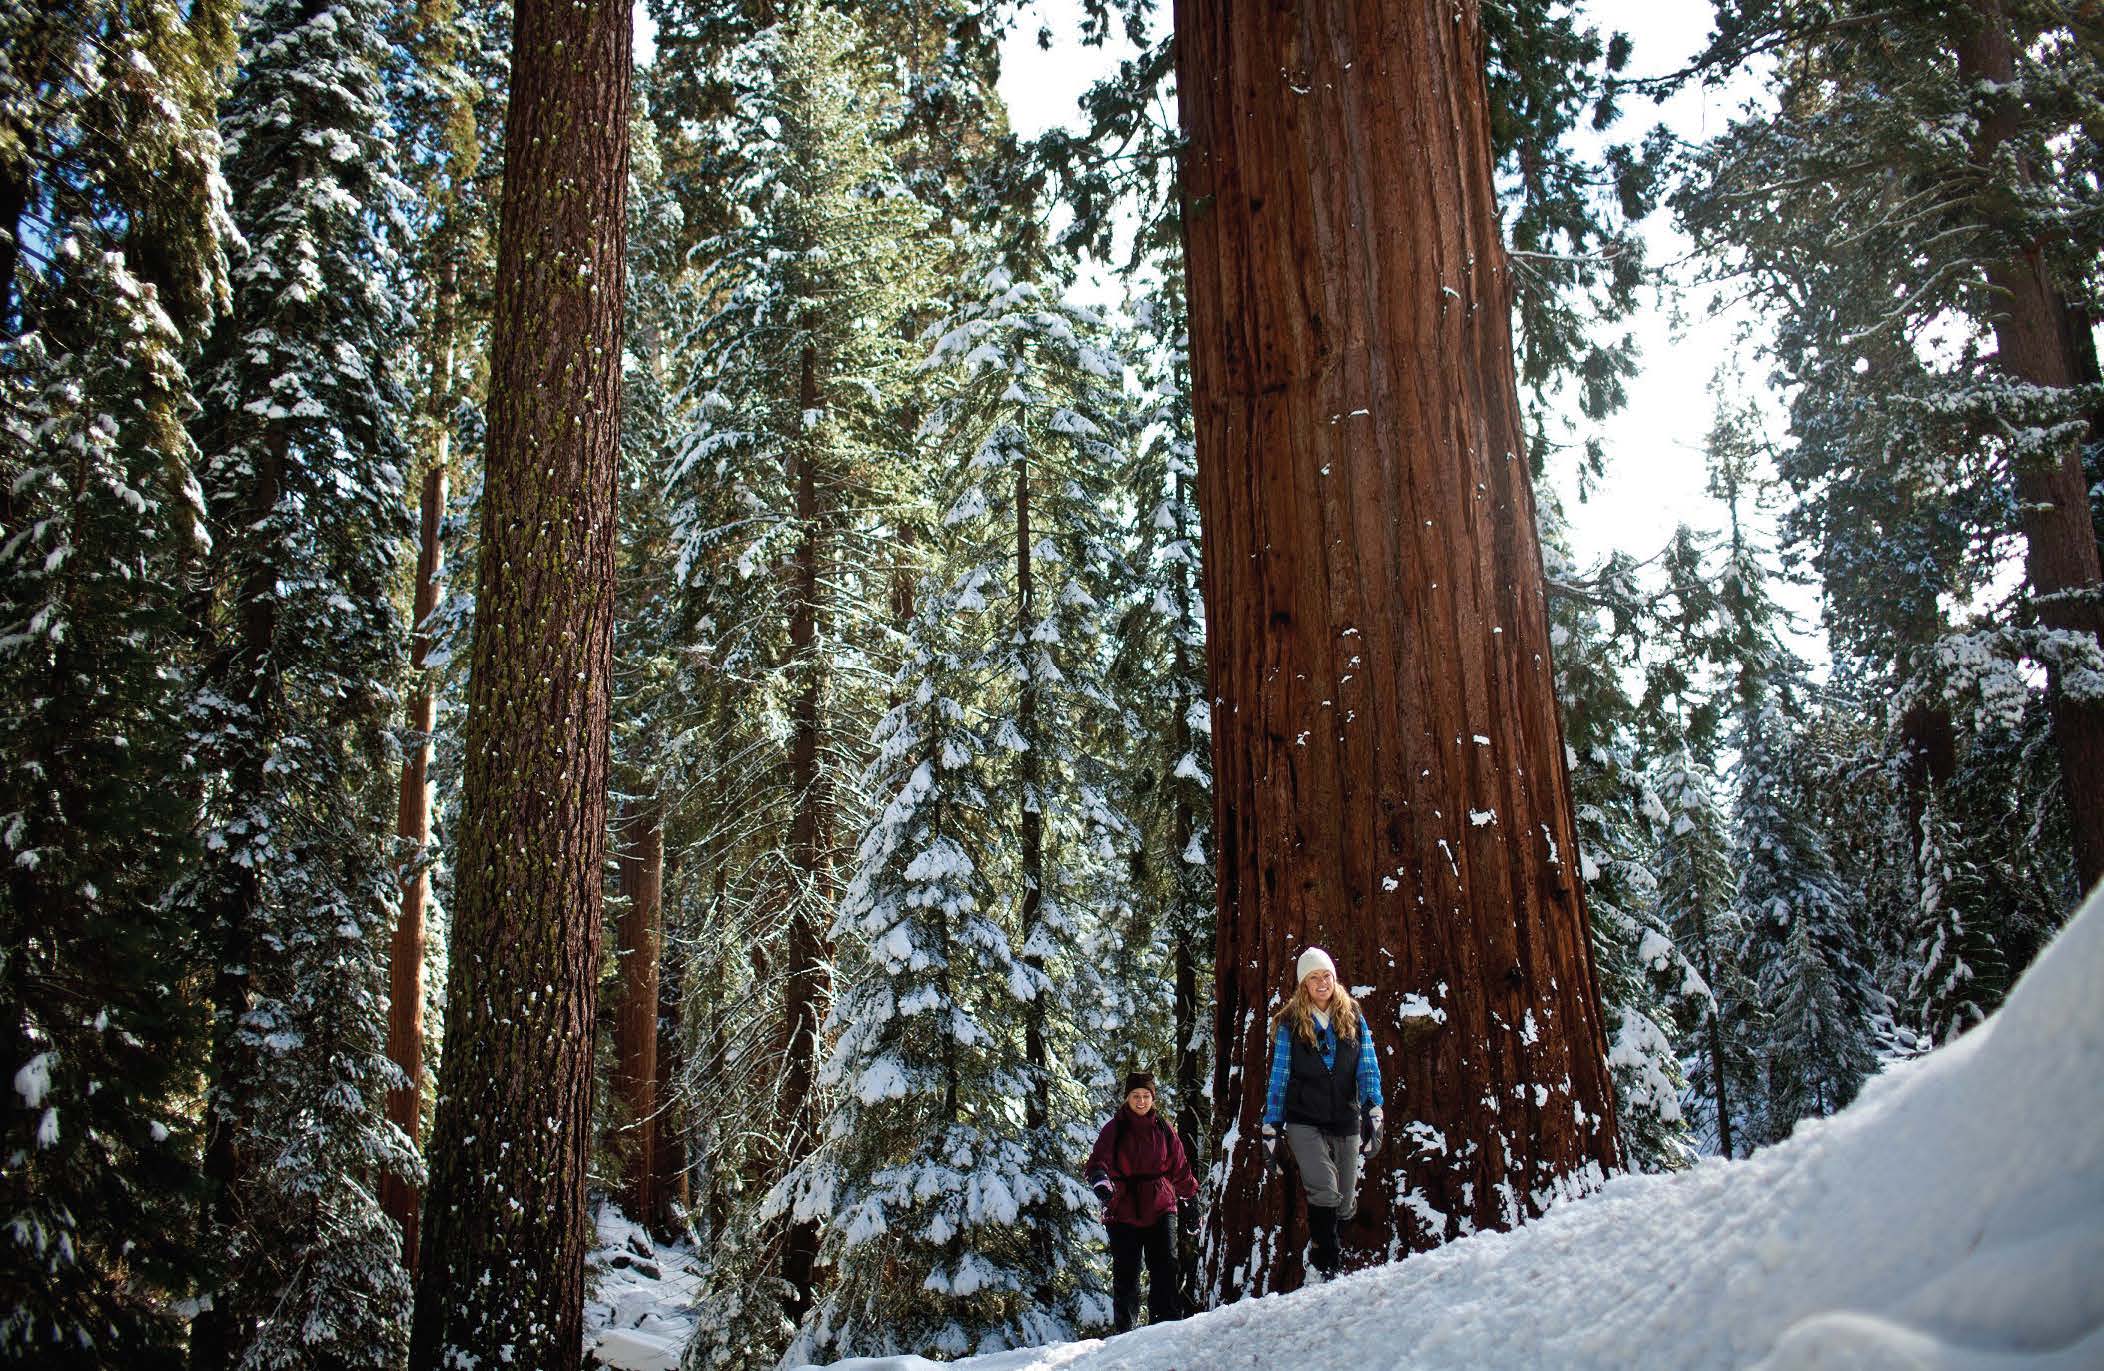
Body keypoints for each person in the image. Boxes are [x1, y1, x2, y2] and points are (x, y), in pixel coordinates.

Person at [1260, 946, 1385, 1280]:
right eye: (1313, 977)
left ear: (1335, 978)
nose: (1321, 983)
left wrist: (1374, 1108)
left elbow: (1368, 1066)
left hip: (1345, 1116)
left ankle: (1326, 1250)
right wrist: (1272, 1123)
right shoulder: (1290, 1022)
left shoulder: (1353, 1016)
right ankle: (1325, 1265)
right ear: (1303, 985)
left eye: (1326, 975)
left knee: (1344, 1204)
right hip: (1304, 1119)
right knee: (1324, 1190)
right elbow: (1280, 1074)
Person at [1085, 1070, 1198, 1333]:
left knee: (1166, 1268)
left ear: (1153, 1099)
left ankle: (1166, 1328)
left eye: (1146, 1096)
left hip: (1160, 1204)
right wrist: (1101, 1180)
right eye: (1135, 1096)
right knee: (1127, 1273)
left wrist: (1190, 1199)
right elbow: (1097, 1161)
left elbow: (1180, 1167)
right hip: (1123, 1208)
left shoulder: (1163, 1129)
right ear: (1127, 1098)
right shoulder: (1114, 1128)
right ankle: (1126, 1332)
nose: (1141, 1101)